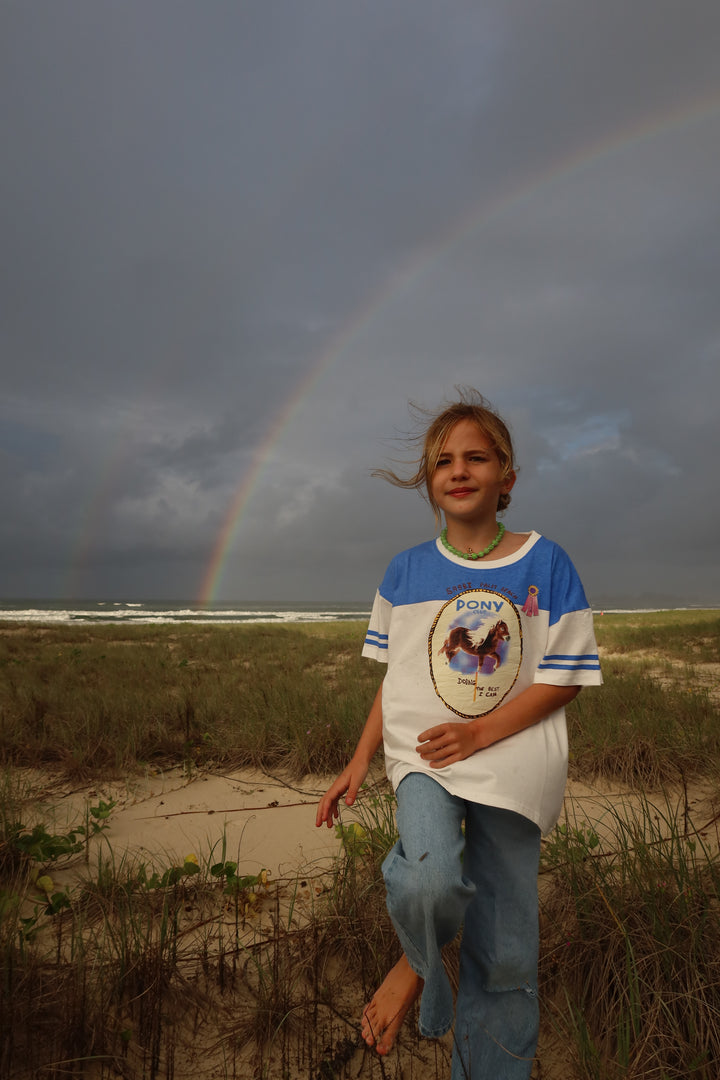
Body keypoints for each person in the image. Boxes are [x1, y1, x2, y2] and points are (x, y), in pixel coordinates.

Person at [316, 389, 602, 1079]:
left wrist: (479, 737)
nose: (459, 469)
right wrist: (358, 760)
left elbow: (565, 676)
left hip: (515, 763)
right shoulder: (406, 571)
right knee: (429, 883)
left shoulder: (546, 561)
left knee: (505, 957)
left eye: (478, 456)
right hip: (425, 758)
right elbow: (398, 680)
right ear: (429, 481)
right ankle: (420, 962)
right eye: (443, 460)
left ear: (508, 476)